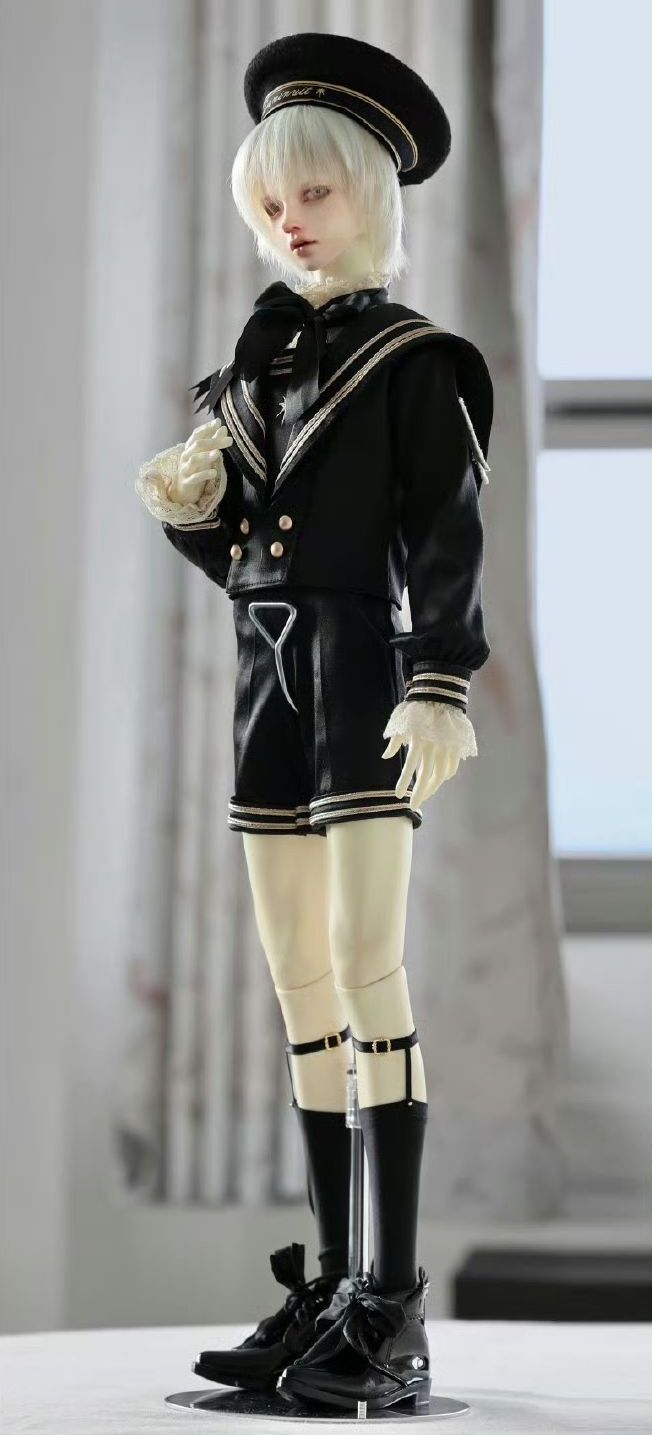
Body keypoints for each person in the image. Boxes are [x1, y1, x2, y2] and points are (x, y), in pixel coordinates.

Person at [135, 30, 493, 1415]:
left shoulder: (416, 363)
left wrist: (440, 678)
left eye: (315, 194)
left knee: (363, 962)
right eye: (272, 200)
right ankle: (335, 1281)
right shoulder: (253, 371)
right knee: (295, 972)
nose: (290, 220)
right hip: (264, 675)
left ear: (372, 197)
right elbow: (254, 558)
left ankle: (392, 1305)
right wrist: (196, 515)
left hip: (359, 672)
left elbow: (446, 537)